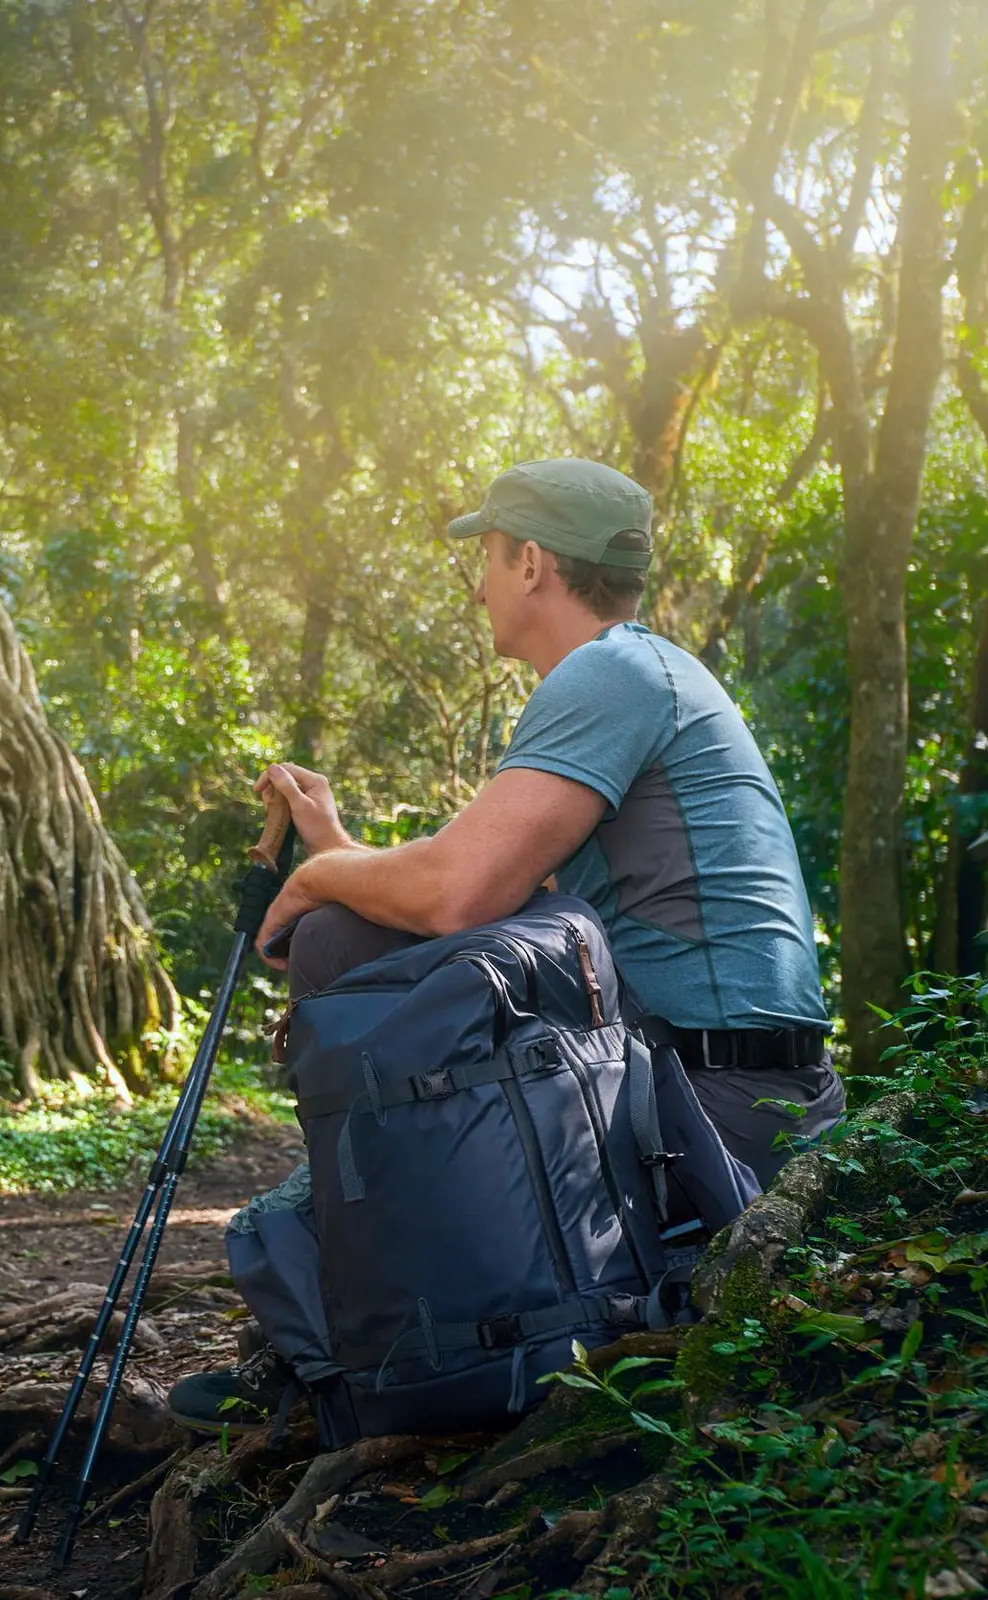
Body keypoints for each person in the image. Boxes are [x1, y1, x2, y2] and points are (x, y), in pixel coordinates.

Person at [167, 456, 845, 1430]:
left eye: (485, 555)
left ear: (530, 561)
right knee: (354, 930)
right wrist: (339, 848)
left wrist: (315, 878)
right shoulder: (645, 671)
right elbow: (489, 900)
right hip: (721, 1085)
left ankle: (346, 1353)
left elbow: (455, 897)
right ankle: (339, 1323)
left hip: (711, 1110)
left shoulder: (607, 672)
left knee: (329, 943)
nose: (477, 580)